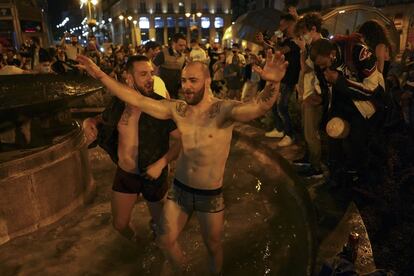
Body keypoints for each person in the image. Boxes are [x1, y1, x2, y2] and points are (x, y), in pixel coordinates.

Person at [77, 50, 287, 275]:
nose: (186, 86)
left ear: (207, 81)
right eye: (184, 80)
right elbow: (135, 98)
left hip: (210, 194)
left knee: (213, 246)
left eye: (193, 81)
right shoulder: (178, 110)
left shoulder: (223, 110)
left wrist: (273, 84)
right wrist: (99, 74)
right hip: (180, 190)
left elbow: (258, 106)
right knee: (165, 241)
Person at [82, 55, 181, 243]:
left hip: (153, 174)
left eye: (151, 73)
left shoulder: (160, 107)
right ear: (128, 77)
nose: (150, 78)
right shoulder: (119, 102)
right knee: (119, 225)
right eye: (143, 74)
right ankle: (138, 243)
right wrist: (91, 121)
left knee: (164, 229)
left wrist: (162, 164)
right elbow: (104, 118)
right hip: (126, 173)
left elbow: (182, 141)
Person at [264, 13, 301, 147]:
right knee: (274, 103)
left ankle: (289, 135)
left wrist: (274, 41)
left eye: (282, 24)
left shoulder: (296, 41)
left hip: (290, 78)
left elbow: (280, 51)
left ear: (289, 24)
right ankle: (279, 129)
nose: (280, 27)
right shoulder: (285, 39)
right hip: (281, 76)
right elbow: (275, 52)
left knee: (282, 106)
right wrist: (273, 41)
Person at [153, 33, 187, 99]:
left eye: (184, 45)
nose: (183, 48)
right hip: (163, 90)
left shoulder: (183, 56)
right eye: (181, 45)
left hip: (176, 90)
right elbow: (153, 68)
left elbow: (183, 71)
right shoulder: (163, 54)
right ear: (173, 44)